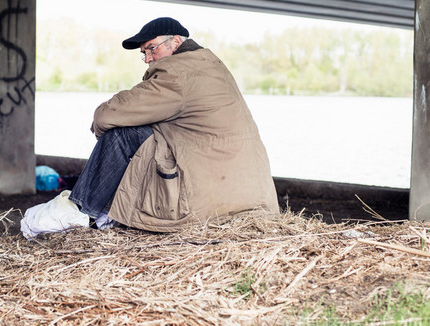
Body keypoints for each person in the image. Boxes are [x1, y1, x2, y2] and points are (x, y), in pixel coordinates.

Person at [68, 17, 279, 232]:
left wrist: (100, 128)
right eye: (143, 53)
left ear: (176, 42)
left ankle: (81, 214)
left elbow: (107, 116)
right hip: (251, 195)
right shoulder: (210, 64)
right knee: (150, 133)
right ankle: (102, 211)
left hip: (210, 201)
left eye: (151, 48)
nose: (147, 58)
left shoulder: (178, 74)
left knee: (123, 134)